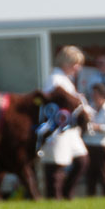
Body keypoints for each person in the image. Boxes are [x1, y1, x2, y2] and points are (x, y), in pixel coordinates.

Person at [41, 46, 90, 200]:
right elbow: (54, 103)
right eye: (76, 63)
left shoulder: (65, 79)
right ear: (66, 62)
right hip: (58, 129)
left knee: (82, 160)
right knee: (56, 167)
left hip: (71, 129)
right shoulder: (55, 79)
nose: (78, 68)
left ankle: (67, 193)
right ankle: (55, 198)